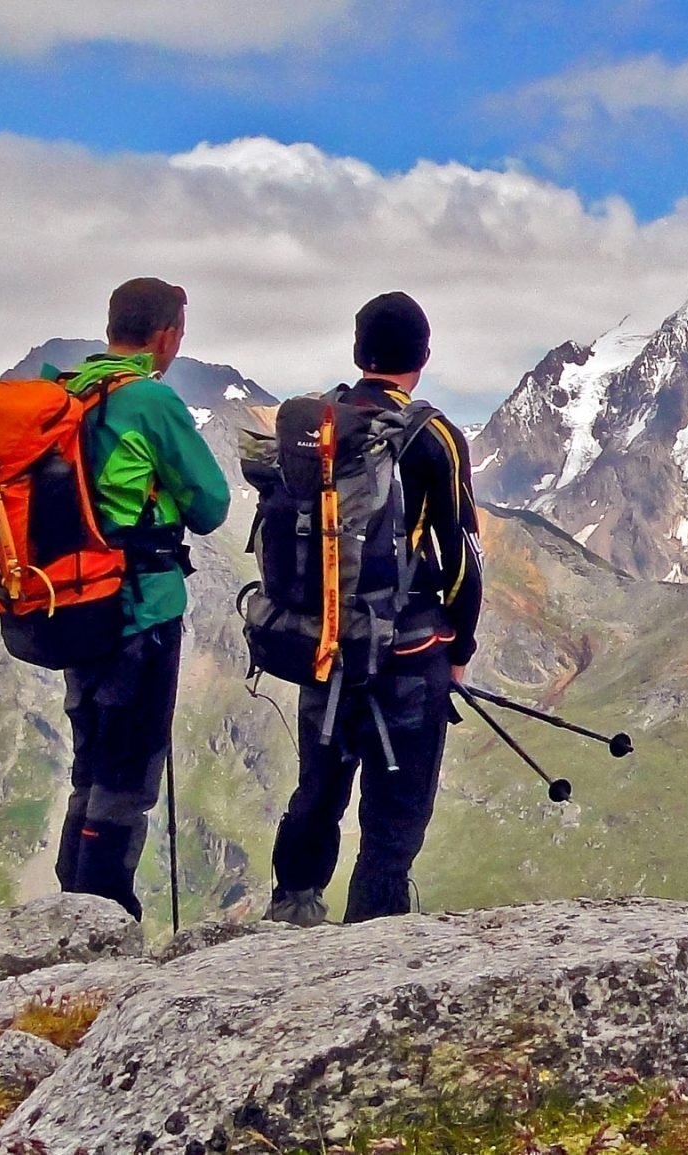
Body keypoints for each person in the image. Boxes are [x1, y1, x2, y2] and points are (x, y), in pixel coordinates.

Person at [266, 292, 483, 926]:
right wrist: (460, 652)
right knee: (393, 822)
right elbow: (462, 556)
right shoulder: (431, 434)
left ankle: (291, 913)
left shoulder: (317, 426)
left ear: (358, 352)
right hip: (408, 656)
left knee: (318, 789)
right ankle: (373, 953)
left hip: (325, 645)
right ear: (423, 356)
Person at [53, 277, 232, 920]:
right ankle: (103, 912)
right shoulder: (150, 401)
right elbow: (210, 506)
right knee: (128, 768)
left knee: (90, 759)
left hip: (71, 601)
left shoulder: (66, 391)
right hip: (141, 607)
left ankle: (70, 903)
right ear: (167, 335)